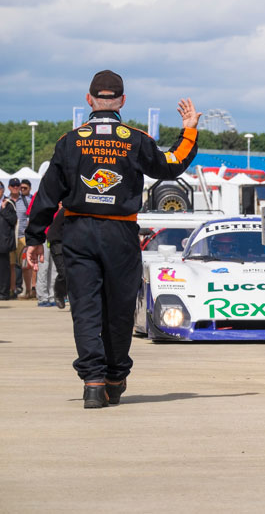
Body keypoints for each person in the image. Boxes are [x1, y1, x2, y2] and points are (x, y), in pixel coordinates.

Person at [26, 70, 201, 409]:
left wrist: (34, 237)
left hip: (78, 230)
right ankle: (115, 377)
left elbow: (47, 195)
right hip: (120, 232)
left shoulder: (70, 140)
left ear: (89, 100)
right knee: (120, 309)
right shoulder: (135, 139)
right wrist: (189, 128)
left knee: (86, 309)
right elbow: (173, 163)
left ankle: (93, 382)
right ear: (121, 101)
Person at [7, 177, 33, 299]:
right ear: (9, 188)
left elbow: (30, 217)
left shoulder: (27, 200)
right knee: (11, 264)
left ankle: (28, 290)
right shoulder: (6, 201)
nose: (16, 188)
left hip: (23, 237)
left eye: (18, 186)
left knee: (25, 264)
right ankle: (13, 290)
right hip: (10, 236)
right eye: (14, 186)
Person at [0, 195, 17, 300]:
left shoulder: (9, 204)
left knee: (3, 269)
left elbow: (13, 220)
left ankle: (4, 293)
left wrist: (3, 209)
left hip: (3, 242)